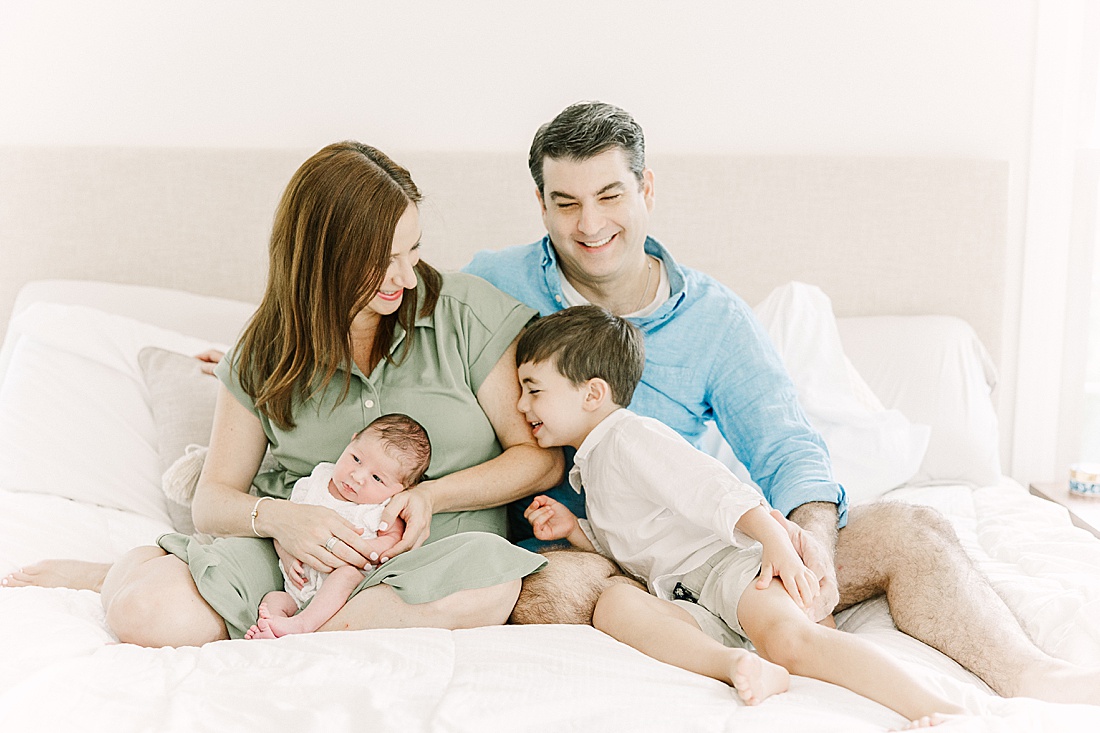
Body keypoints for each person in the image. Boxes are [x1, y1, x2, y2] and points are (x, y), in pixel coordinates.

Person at [463, 101, 1100, 704]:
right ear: (541, 205)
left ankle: (1027, 674)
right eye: (566, 203)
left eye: (610, 196)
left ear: (646, 190)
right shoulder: (489, 285)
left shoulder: (715, 320)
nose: (590, 224)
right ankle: (728, 656)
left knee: (913, 529)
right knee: (558, 590)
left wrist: (810, 548)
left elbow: (786, 447)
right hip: (592, 557)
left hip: (708, 547)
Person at [2, 140, 563, 647]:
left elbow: (540, 459)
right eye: (382, 261)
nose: (407, 277)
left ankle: (298, 632)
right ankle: (126, 574)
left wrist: (431, 498)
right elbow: (213, 498)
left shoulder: (464, 313)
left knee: (491, 586)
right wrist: (283, 521)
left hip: (434, 561)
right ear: (323, 258)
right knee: (146, 613)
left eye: (411, 251)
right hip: (289, 565)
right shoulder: (265, 352)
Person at [514, 305, 964, 723]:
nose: (520, 405)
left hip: (729, 567)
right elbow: (633, 543)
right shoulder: (591, 466)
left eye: (533, 390)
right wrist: (575, 530)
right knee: (614, 604)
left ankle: (935, 707)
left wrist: (774, 542)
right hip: (684, 594)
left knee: (791, 640)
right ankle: (736, 663)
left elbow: (714, 489)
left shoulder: (630, 438)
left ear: (593, 393)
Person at [245, 413, 430, 640]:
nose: (358, 476)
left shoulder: (382, 508)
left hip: (344, 596)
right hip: (300, 590)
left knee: (347, 575)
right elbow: (283, 528)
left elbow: (393, 541)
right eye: (356, 459)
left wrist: (368, 549)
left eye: (377, 478)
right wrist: (287, 556)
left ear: (400, 489)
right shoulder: (316, 482)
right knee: (273, 600)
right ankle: (274, 631)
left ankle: (302, 624)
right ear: (351, 441)